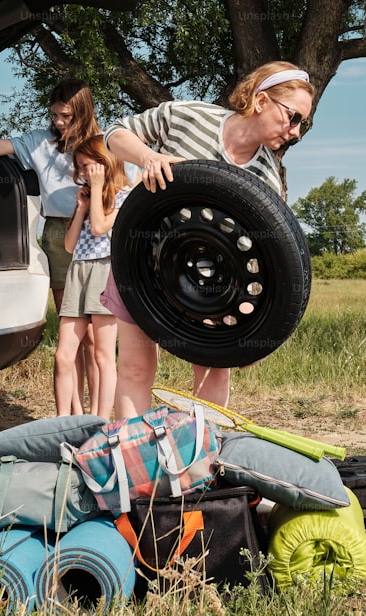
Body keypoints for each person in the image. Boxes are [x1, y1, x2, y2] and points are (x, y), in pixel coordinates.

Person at [99, 60, 314, 418]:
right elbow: (115, 133)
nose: (295, 132)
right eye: (293, 118)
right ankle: (132, 462)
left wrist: (253, 334)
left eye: (301, 125)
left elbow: (266, 260)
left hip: (215, 286)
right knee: (136, 369)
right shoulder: (188, 115)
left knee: (210, 381)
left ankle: (199, 467)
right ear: (261, 101)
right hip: (142, 263)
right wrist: (149, 158)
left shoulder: (266, 178)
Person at [0, 78, 101, 414]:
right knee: (72, 332)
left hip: (97, 234)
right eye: (55, 115)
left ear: (83, 114)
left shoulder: (102, 145)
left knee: (94, 339)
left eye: (67, 116)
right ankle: (74, 414)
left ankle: (97, 414)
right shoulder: (40, 142)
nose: (59, 122)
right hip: (59, 233)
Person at [53, 136, 131, 417]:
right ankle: (61, 423)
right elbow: (70, 246)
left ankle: (100, 423)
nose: (83, 173)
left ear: (105, 163)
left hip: (105, 269)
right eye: (80, 168)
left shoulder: (125, 196)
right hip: (79, 269)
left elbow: (100, 228)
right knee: (63, 355)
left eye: (87, 166)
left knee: (102, 354)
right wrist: (82, 208)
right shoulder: (87, 199)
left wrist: (97, 191)